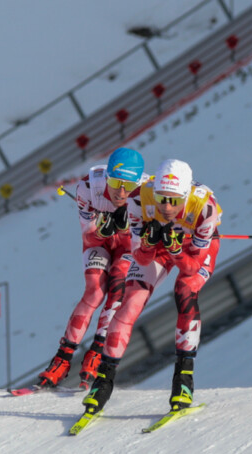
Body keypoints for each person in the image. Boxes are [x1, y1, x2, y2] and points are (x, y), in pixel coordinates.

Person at [82, 158, 222, 414]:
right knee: (130, 302)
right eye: (161, 199)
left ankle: (183, 381)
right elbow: (141, 258)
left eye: (174, 201)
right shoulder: (139, 198)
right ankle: (103, 382)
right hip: (161, 245)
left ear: (185, 196)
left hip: (191, 250)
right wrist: (148, 243)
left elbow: (191, 267)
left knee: (185, 291)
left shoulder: (205, 208)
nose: (166, 207)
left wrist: (176, 249)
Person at [37, 147, 146, 389]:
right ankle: (62, 359)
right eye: (116, 183)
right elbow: (89, 236)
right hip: (100, 243)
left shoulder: (147, 193)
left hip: (128, 247)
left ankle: (96, 352)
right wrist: (103, 228)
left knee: (117, 286)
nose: (121, 192)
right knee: (95, 291)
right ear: (107, 177)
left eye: (129, 186)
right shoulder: (89, 187)